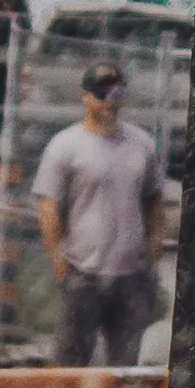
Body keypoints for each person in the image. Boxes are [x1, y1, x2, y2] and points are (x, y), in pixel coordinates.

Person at [31, 63, 164, 367]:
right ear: (85, 96)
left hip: (132, 275)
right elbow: (48, 207)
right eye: (101, 92)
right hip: (83, 273)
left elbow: (155, 202)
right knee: (70, 365)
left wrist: (152, 252)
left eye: (117, 91)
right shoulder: (65, 146)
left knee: (131, 367)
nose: (110, 99)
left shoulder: (141, 144)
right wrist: (60, 262)